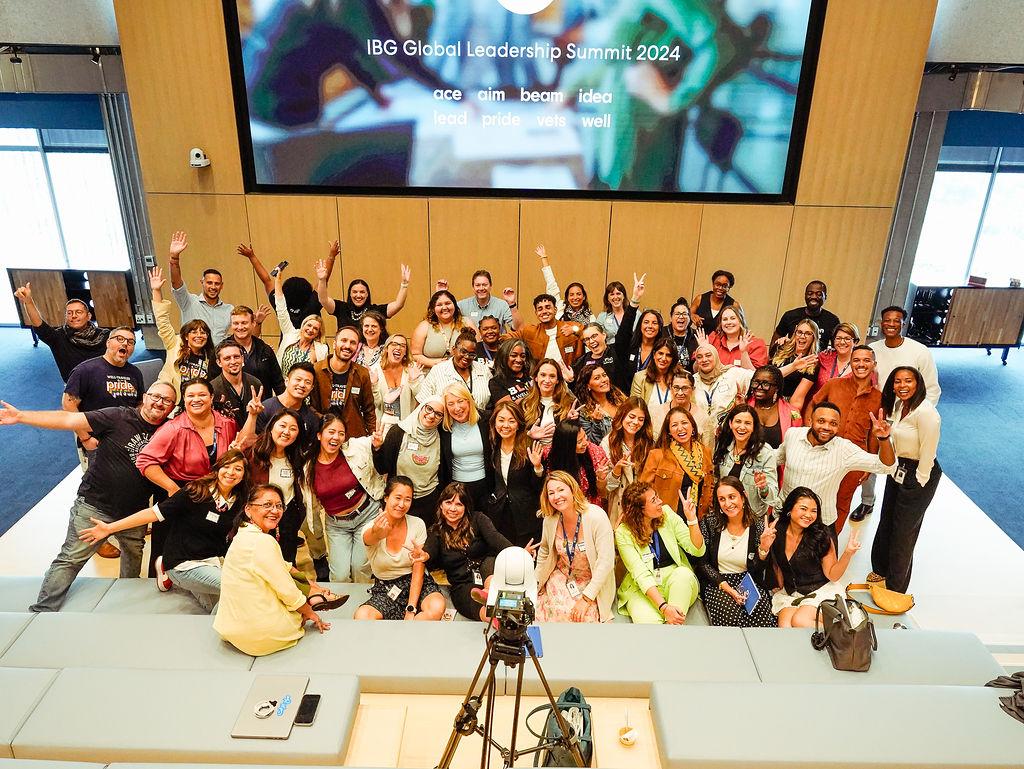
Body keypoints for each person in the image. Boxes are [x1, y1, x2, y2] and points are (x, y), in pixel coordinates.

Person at [0, 383, 177, 611]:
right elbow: (68, 420)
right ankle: (43, 610)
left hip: (134, 512)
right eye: (155, 396)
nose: (159, 402)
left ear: (172, 407)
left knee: (133, 556)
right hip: (95, 505)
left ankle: (125, 604)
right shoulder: (117, 416)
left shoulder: (170, 430)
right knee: (71, 559)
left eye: (167, 400)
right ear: (145, 397)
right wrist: (22, 416)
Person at [81, 449, 250, 612]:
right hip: (182, 563)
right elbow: (153, 514)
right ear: (217, 469)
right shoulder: (195, 491)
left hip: (210, 562)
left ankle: (188, 585)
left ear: (244, 475)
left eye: (238, 468)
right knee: (234, 587)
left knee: (216, 607)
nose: (231, 472)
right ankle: (167, 570)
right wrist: (110, 528)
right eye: (226, 466)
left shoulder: (239, 500)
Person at [136, 378, 249, 576]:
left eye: (202, 394)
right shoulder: (173, 428)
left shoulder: (227, 423)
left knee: (203, 544)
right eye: (190, 395)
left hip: (212, 492)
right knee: (166, 548)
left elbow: (236, 453)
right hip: (180, 491)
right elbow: (145, 461)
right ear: (184, 400)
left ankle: (199, 582)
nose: (196, 399)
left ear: (212, 397)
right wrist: (172, 488)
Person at [214, 484, 332, 656]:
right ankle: (312, 599)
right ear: (248, 509)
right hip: (261, 636)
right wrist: (310, 613)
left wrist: (312, 585)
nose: (275, 510)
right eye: (267, 505)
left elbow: (282, 565)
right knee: (294, 610)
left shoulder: (242, 535)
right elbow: (287, 591)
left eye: (279, 506)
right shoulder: (262, 542)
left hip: (232, 631)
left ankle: (312, 594)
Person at [863, 305, 941, 522]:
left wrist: (914, 415)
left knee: (901, 463)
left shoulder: (919, 351)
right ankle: (867, 500)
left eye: (896, 321)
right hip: (880, 414)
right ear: (880, 322)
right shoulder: (874, 348)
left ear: (903, 324)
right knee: (872, 455)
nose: (891, 324)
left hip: (907, 417)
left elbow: (932, 388)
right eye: (887, 320)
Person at [869, 366, 941, 594]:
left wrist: (918, 482)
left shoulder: (927, 413)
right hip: (898, 467)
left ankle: (895, 588)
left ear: (918, 383)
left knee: (904, 532)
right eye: (897, 381)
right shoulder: (901, 406)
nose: (902, 386)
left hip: (919, 472)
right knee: (887, 520)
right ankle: (880, 569)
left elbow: (928, 453)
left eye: (908, 381)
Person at [775, 401, 896, 533]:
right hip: (784, 517)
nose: (826, 427)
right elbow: (777, 458)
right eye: (821, 421)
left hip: (819, 525)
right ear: (810, 421)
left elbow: (887, 467)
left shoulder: (844, 449)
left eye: (833, 424)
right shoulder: (792, 435)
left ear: (838, 427)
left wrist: (884, 439)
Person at [810, 345, 883, 530]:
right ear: (850, 362)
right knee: (814, 498)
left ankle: (829, 546)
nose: (861, 364)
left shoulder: (879, 397)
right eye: (856, 360)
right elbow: (813, 405)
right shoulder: (834, 384)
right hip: (823, 453)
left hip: (854, 460)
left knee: (842, 503)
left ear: (874, 364)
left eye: (866, 360)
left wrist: (870, 463)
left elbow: (874, 435)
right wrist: (809, 435)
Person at [305, 413, 384, 583]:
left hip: (366, 515)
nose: (336, 437)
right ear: (319, 435)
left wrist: (377, 445)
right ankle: (342, 609)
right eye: (331, 432)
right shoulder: (308, 466)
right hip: (337, 525)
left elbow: (373, 441)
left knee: (359, 568)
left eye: (341, 433)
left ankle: (364, 607)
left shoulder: (354, 448)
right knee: (339, 575)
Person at [354, 476, 446, 621]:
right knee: (362, 616)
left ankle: (411, 638)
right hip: (387, 587)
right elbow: (369, 538)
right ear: (386, 498)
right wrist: (378, 533)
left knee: (436, 607)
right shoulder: (372, 527)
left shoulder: (417, 524)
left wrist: (411, 608)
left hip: (416, 582)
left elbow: (418, 567)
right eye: (397, 498)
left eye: (407, 499)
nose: (401, 504)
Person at [768, 487, 860, 628]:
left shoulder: (821, 535)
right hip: (792, 592)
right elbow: (778, 565)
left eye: (813, 511)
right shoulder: (777, 530)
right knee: (785, 626)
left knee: (799, 621)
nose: (809, 515)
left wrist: (848, 553)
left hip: (820, 591)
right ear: (790, 509)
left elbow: (833, 575)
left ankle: (843, 630)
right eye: (803, 509)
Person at [615, 480, 705, 624]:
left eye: (657, 496)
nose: (660, 501)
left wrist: (692, 520)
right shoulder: (623, 533)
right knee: (650, 626)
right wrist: (663, 607)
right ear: (640, 510)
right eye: (654, 500)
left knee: (683, 574)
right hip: (642, 589)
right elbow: (641, 575)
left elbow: (697, 550)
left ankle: (673, 625)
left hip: (675, 580)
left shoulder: (667, 514)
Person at [425, 482, 514, 621]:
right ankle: (494, 618)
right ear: (441, 504)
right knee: (474, 599)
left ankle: (488, 593)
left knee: (489, 562)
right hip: (462, 585)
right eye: (448, 502)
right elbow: (429, 552)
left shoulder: (478, 519)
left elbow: (496, 539)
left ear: (466, 507)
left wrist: (518, 554)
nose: (453, 509)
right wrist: (423, 555)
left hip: (487, 572)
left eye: (459, 504)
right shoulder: (436, 532)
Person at [535, 471, 615, 623]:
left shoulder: (596, 517)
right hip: (561, 575)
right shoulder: (550, 520)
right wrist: (535, 584)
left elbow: (606, 562)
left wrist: (586, 599)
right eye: (551, 493)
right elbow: (544, 552)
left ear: (572, 489)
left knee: (581, 617)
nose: (556, 496)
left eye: (561, 490)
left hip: (590, 580)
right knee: (550, 610)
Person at [695, 478, 776, 627]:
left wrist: (763, 549)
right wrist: (727, 588)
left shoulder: (758, 526)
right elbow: (702, 563)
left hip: (749, 581)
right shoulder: (709, 523)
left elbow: (758, 571)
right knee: (731, 620)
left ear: (743, 496)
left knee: (762, 622)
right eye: (722, 499)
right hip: (718, 582)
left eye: (732, 497)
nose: (727, 504)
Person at [63, 327, 145, 458]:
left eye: (130, 342)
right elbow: (68, 404)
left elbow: (140, 403)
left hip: (128, 438)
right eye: (120, 339)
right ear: (107, 343)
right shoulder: (85, 370)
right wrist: (85, 438)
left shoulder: (135, 373)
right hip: (98, 441)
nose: (125, 343)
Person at [243, 409, 309, 567]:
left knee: (288, 562)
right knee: (262, 563)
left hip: (288, 516)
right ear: (271, 426)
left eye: (293, 429)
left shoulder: (296, 457)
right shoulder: (254, 453)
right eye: (283, 426)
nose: (287, 432)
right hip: (259, 517)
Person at [372, 396, 445, 527]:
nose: (431, 415)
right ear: (421, 408)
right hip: (400, 501)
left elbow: (445, 471)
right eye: (429, 409)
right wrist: (377, 448)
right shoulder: (398, 432)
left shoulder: (442, 436)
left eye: (438, 414)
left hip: (429, 502)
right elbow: (383, 468)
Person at [13, 282, 109, 381]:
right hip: (75, 387)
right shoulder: (58, 337)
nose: (74, 316)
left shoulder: (104, 335)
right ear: (66, 317)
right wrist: (28, 302)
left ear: (89, 316)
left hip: (104, 384)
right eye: (69, 313)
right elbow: (39, 325)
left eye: (78, 312)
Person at [150, 267, 217, 398]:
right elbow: (162, 321)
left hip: (196, 402)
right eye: (194, 332)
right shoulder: (174, 344)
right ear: (186, 336)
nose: (199, 336)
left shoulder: (210, 356)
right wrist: (156, 290)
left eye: (203, 333)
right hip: (170, 400)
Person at [487, 401, 544, 547]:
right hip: (500, 513)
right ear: (494, 422)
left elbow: (538, 486)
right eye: (501, 420)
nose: (505, 425)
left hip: (526, 513)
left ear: (518, 424)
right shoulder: (492, 445)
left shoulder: (529, 446)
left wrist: (537, 467)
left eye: (511, 421)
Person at [640, 406, 713, 516]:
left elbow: (710, 486)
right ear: (669, 432)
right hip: (667, 520)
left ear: (692, 426)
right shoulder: (657, 455)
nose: (680, 428)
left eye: (684, 423)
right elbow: (643, 491)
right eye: (674, 425)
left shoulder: (706, 452)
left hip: (698, 519)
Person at [316, 244, 410, 328]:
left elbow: (398, 305)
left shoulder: (375, 311)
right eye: (355, 292)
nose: (358, 295)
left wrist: (404, 284)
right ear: (350, 294)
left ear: (367, 294)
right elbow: (323, 300)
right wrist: (322, 280)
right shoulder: (342, 308)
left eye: (362, 292)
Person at [237, 241, 323, 330]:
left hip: (286, 344)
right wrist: (331, 257)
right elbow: (324, 280)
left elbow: (266, 281)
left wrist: (252, 256)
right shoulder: (312, 304)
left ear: (284, 292)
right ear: (308, 292)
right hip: (314, 343)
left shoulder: (280, 304)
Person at [713, 405, 778, 519]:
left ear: (754, 427)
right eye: (738, 421)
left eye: (747, 423)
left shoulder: (766, 453)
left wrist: (763, 487)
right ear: (730, 423)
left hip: (752, 517)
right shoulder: (723, 444)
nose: (742, 427)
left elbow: (772, 497)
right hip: (725, 514)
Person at [166, 231, 234, 340]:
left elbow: (242, 331)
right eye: (209, 283)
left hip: (218, 356)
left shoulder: (229, 309)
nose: (213, 287)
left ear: (222, 286)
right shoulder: (189, 302)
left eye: (217, 284)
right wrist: (174, 258)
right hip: (193, 355)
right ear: (202, 282)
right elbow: (176, 283)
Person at [311, 326, 377, 438]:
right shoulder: (316, 370)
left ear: (357, 348)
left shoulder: (362, 373)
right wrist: (327, 422)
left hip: (353, 437)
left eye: (353, 343)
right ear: (334, 344)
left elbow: (369, 410)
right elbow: (310, 406)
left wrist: (373, 436)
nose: (347, 346)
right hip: (323, 436)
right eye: (344, 340)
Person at [601, 398, 654, 529]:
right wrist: (617, 470)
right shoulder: (608, 442)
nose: (635, 422)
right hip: (618, 505)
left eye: (641, 419)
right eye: (632, 416)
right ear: (622, 415)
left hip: (644, 506)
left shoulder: (649, 442)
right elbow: (606, 489)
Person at [439, 383, 493, 505]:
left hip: (485, 485)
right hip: (457, 487)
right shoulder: (443, 428)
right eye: (451, 404)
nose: (457, 408)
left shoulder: (487, 420)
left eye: (460, 401)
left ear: (469, 401)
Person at [502, 291, 584, 370]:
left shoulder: (571, 326)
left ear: (555, 310)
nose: (544, 311)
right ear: (536, 313)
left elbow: (589, 332)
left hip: (569, 379)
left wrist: (574, 330)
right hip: (540, 380)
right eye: (540, 309)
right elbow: (504, 338)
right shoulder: (530, 331)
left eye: (548, 307)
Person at [692, 344, 751, 449]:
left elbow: (761, 377)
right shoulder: (692, 381)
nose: (704, 360)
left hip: (726, 438)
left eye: (708, 355)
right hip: (699, 439)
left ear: (716, 356)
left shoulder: (733, 374)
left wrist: (791, 367)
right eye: (699, 357)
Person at [417, 329, 492, 410]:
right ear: (453, 349)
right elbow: (422, 402)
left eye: (471, 354)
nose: (467, 357)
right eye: (463, 351)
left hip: (479, 420)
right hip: (447, 421)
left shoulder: (484, 370)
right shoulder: (438, 370)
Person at [271, 267, 328, 372]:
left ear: (318, 333)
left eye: (315, 329)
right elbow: (281, 307)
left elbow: (322, 375)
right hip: (284, 386)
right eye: (309, 325)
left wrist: (322, 279)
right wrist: (277, 281)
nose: (311, 330)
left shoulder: (321, 349)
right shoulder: (289, 333)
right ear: (303, 325)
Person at [543, 420, 610, 508]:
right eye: (579, 442)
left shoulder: (596, 452)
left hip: (590, 508)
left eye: (585, 436)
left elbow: (603, 493)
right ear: (567, 445)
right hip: (561, 508)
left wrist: (601, 479)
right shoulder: (549, 455)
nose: (585, 443)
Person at [369, 334, 424, 434]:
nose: (398, 348)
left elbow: (423, 398)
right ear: (386, 349)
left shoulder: (413, 369)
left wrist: (414, 381)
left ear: (405, 352)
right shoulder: (375, 371)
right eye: (394, 344)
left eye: (403, 346)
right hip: (382, 428)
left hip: (407, 427)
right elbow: (376, 404)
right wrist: (374, 385)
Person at [226, 305, 284, 396]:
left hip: (264, 405)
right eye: (236, 323)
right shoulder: (222, 351)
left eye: (244, 323)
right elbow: (213, 383)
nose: (240, 327)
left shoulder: (265, 350)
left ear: (253, 323)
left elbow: (278, 383)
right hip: (233, 407)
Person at [535, 244, 596, 324]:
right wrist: (544, 258)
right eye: (571, 295)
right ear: (567, 297)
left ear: (584, 297)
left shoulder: (590, 317)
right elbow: (551, 284)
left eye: (578, 294)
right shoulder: (560, 306)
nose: (575, 297)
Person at [522, 358, 577, 445]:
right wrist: (529, 435)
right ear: (536, 378)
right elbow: (516, 436)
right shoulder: (525, 403)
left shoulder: (569, 402)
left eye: (552, 376)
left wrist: (570, 422)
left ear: (557, 380)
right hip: (534, 454)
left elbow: (579, 435)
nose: (547, 380)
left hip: (562, 455)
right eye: (543, 375)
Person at [411, 289, 471, 368]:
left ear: (454, 305)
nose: (444, 307)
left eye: (448, 303)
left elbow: (477, 349)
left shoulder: (467, 323)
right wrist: (434, 363)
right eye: (439, 305)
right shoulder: (424, 326)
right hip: (431, 372)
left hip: (462, 372)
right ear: (433, 309)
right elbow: (415, 355)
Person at [256, 362, 320, 437]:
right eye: (298, 379)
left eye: (307, 382)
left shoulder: (311, 419)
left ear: (311, 388)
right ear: (286, 381)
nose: (302, 385)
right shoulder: (265, 408)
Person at [210, 340, 263, 430]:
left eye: (236, 357)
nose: (233, 361)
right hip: (226, 439)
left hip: (253, 437)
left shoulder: (255, 383)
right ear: (219, 362)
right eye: (227, 358)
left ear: (242, 358)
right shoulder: (212, 389)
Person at [772, 280, 839, 351]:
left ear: (825, 297)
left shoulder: (832, 320)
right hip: (792, 359)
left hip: (818, 360)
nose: (814, 297)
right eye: (810, 293)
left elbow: (836, 348)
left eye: (819, 294)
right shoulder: (790, 316)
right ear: (805, 295)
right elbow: (774, 343)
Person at [770, 318, 819, 414]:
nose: (802, 336)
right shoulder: (780, 347)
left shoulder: (812, 363)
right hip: (765, 394)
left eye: (808, 333)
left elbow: (797, 399)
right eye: (799, 332)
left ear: (814, 337)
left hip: (786, 403)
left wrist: (791, 417)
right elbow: (767, 376)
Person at [747, 364, 801, 450]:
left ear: (777, 388)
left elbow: (795, 447)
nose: (759, 387)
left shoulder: (793, 413)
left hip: (776, 462)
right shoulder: (744, 406)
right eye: (756, 382)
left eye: (765, 384)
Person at [576, 363, 627, 445]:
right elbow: (590, 443)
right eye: (597, 378)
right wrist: (596, 423)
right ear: (588, 385)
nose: (604, 380)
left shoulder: (621, 399)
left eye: (604, 375)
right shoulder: (584, 412)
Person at [708, 306, 768, 370]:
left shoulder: (756, 344)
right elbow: (696, 370)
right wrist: (703, 349)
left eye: (733, 318)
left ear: (740, 321)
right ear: (721, 324)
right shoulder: (713, 339)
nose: (728, 322)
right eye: (725, 319)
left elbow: (756, 376)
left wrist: (744, 352)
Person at [631, 337, 677, 410]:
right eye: (660, 353)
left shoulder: (682, 377)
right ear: (654, 354)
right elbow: (634, 408)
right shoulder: (640, 377)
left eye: (668, 355)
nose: (663, 358)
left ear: (673, 359)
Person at [815, 322, 860, 391]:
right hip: (818, 400)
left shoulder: (860, 363)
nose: (842, 342)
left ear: (855, 342)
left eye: (847, 339)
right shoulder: (825, 356)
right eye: (838, 338)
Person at [488, 339, 533, 405]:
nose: (519, 360)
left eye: (522, 356)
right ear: (504, 356)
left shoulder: (530, 377)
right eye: (513, 355)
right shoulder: (496, 382)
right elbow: (509, 408)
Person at [596, 280, 635, 345]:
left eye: (618, 293)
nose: (615, 297)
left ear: (623, 296)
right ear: (608, 298)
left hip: (631, 351)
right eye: (612, 294)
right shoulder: (602, 317)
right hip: (611, 352)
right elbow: (597, 337)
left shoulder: (635, 314)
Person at [667, 298, 698, 371]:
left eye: (684, 314)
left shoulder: (697, 336)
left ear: (689, 318)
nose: (681, 317)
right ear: (671, 318)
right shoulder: (662, 333)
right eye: (677, 314)